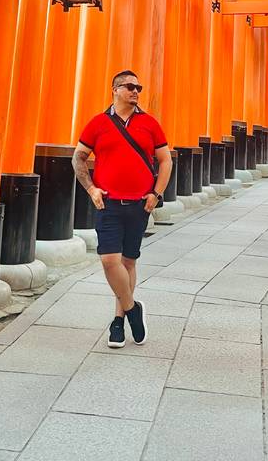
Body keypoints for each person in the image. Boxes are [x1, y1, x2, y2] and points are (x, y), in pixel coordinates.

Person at [72, 70, 172, 348]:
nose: (136, 91)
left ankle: (118, 321)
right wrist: (91, 188)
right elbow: (78, 157)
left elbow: (165, 160)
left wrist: (157, 193)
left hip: (140, 204)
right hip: (109, 203)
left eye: (138, 87)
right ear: (115, 90)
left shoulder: (150, 124)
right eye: (129, 86)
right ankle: (132, 308)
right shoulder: (98, 123)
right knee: (108, 260)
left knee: (128, 261)